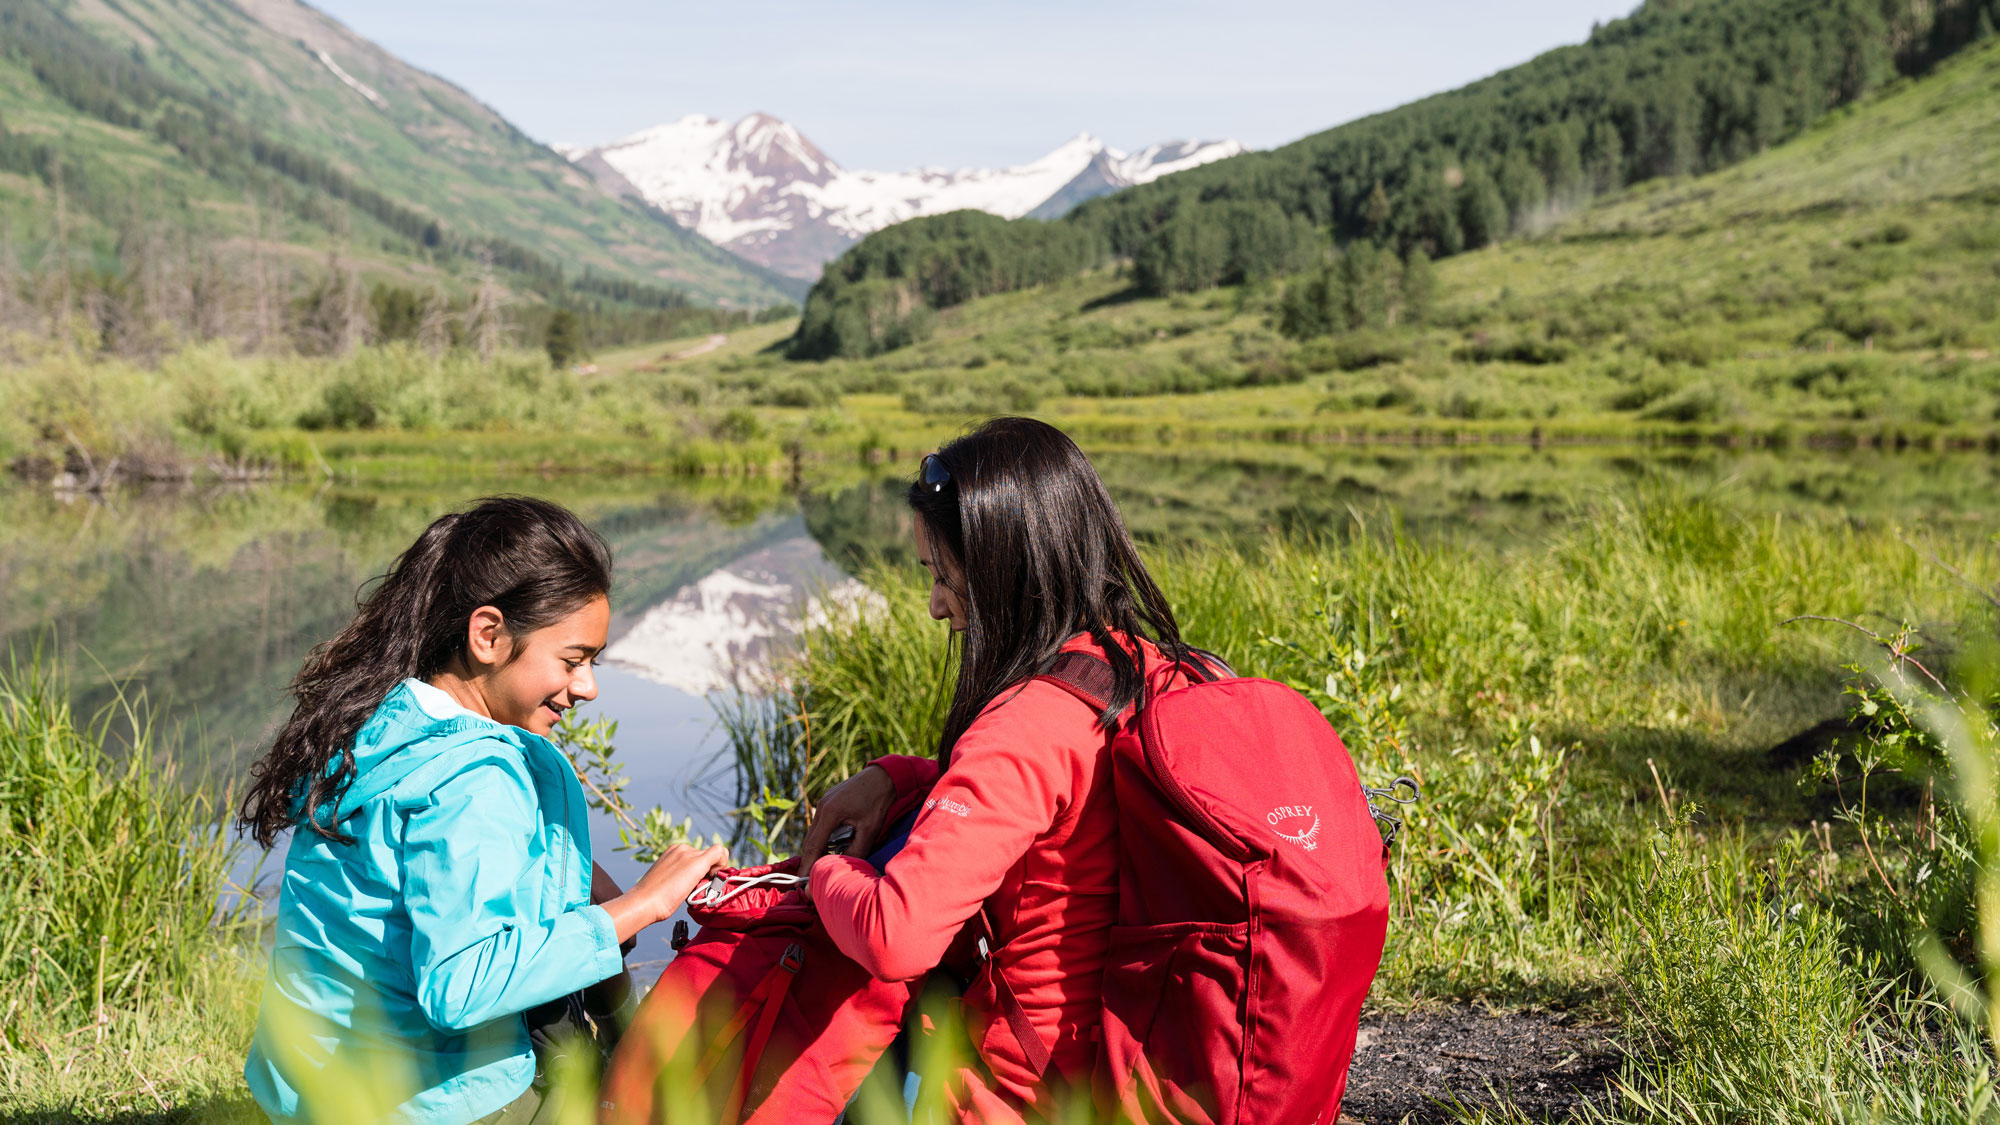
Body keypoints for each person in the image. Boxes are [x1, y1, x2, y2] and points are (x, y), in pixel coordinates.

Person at [237, 496, 728, 1125]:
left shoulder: (382, 718)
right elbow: (460, 985)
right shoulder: (473, 779)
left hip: (305, 1088)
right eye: (573, 661)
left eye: (594, 664)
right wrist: (642, 907)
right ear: (488, 635)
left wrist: (582, 884)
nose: (588, 687)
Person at [799, 417, 1213, 1123]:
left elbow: (895, 934)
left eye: (941, 574)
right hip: (1155, 1068)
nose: (936, 605)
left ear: (1001, 568)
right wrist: (902, 778)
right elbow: (1061, 802)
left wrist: (822, 873)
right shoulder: (1167, 674)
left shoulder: (1028, 721)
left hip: (1023, 1094)